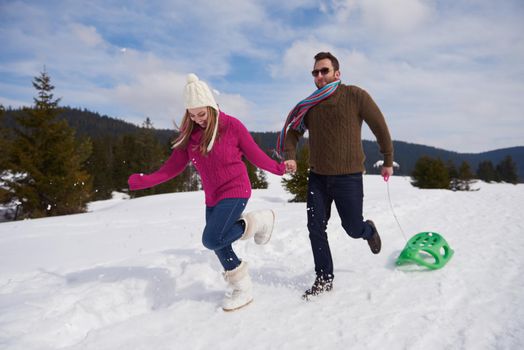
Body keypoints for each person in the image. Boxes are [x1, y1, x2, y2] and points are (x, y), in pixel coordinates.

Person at [128, 73, 287, 311]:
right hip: (213, 196)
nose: (197, 119)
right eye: (191, 115)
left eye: (201, 114)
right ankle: (242, 288)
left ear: (211, 107)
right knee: (220, 243)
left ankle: (259, 221)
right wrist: (146, 181)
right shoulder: (190, 135)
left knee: (211, 238)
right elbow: (172, 167)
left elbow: (254, 153)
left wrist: (278, 168)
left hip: (236, 189)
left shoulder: (232, 126)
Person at [277, 52, 394, 300]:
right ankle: (324, 277)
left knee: (352, 228)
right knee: (315, 226)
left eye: (324, 71)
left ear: (337, 74)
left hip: (348, 177)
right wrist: (289, 154)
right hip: (318, 177)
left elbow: (379, 125)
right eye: (315, 72)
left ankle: (368, 231)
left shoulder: (355, 95)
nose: (319, 76)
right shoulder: (309, 105)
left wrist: (387, 159)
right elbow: (293, 132)